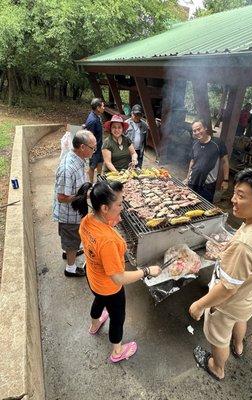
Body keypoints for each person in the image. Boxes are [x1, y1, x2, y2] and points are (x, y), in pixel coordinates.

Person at [189, 167, 252, 381]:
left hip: (229, 302)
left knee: (218, 337)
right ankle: (239, 346)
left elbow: (227, 288)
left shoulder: (247, 245)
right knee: (241, 318)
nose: (233, 200)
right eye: (235, 192)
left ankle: (217, 367)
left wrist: (200, 305)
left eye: (241, 196)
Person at [72, 181, 161, 362]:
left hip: (93, 278)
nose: (122, 208)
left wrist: (110, 225)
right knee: (117, 317)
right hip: (110, 287)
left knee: (98, 300)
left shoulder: (87, 220)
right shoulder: (108, 241)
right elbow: (118, 277)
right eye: (119, 205)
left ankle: (94, 325)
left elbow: (96, 246)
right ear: (105, 208)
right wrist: (147, 271)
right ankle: (117, 352)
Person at [53, 130, 96, 277]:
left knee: (73, 239)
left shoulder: (78, 158)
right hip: (69, 215)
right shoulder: (67, 168)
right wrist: (84, 195)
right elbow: (61, 197)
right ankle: (70, 269)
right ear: (83, 147)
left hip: (76, 211)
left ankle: (68, 252)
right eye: (93, 147)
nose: (94, 150)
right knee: (72, 240)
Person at [184, 120, 229, 203]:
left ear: (205, 128)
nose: (197, 132)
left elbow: (225, 162)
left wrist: (225, 180)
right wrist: (187, 178)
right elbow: (192, 162)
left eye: (199, 129)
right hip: (193, 181)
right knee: (188, 203)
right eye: (194, 131)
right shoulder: (194, 143)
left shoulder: (218, 143)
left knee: (205, 206)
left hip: (208, 185)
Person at [84, 98, 106, 182]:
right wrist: (91, 149)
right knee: (92, 166)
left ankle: (99, 181)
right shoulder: (92, 121)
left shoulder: (97, 116)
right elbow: (89, 137)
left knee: (100, 162)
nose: (104, 108)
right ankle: (90, 183)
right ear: (98, 107)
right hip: (94, 148)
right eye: (103, 106)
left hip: (99, 145)